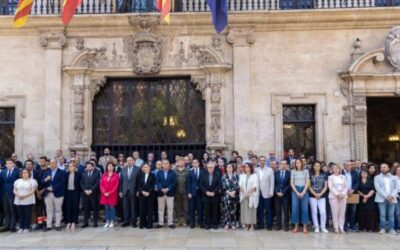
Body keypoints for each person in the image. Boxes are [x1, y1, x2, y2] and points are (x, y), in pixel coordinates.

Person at [42, 159, 66, 231]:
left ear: (57, 164)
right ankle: (48, 225)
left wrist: (53, 188)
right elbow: (41, 182)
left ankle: (57, 225)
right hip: (48, 194)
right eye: (51, 163)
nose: (52, 164)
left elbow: (62, 182)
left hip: (58, 193)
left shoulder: (62, 172)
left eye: (54, 163)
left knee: (58, 209)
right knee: (49, 210)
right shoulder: (47, 172)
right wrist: (46, 179)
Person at [374, 163, 398, 235]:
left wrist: (392, 196)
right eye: (381, 167)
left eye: (384, 167)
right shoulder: (377, 177)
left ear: (388, 168)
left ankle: (392, 229)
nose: (383, 168)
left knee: (391, 214)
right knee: (382, 214)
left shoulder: (394, 177)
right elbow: (378, 188)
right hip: (381, 199)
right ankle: (383, 228)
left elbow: (396, 188)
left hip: (392, 199)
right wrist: (387, 196)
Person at [13, 168, 37, 233]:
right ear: (21, 174)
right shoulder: (17, 181)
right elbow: (14, 190)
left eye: (26, 172)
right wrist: (18, 195)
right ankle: (21, 227)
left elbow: (33, 190)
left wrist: (25, 196)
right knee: (20, 214)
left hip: (28, 200)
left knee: (27, 214)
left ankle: (27, 227)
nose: (24, 173)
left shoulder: (32, 181)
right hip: (19, 200)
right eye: (23, 172)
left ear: (28, 173)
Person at [119, 157, 140, 227]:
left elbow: (139, 182)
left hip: (133, 191)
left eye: (130, 160)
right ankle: (126, 221)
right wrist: (120, 191)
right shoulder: (123, 169)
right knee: (125, 207)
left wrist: (138, 190)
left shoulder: (138, 169)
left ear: (134, 161)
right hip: (125, 191)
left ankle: (133, 221)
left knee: (133, 207)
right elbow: (121, 181)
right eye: (128, 160)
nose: (129, 162)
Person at [199, 162, 221, 230]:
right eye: (209, 167)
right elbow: (201, 185)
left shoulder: (217, 175)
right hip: (206, 196)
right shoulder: (203, 175)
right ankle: (207, 224)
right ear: (207, 168)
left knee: (215, 211)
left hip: (215, 196)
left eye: (211, 167)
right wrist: (206, 192)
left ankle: (214, 224)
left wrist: (214, 192)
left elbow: (219, 185)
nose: (210, 169)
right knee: (207, 211)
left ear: (214, 168)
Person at [290, 159, 310, 234]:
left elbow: (307, 182)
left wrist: (303, 191)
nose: (298, 164)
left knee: (304, 209)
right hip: (295, 190)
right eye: (296, 163)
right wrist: (297, 192)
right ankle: (296, 227)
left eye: (299, 162)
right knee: (295, 209)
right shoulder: (293, 171)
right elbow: (291, 183)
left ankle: (304, 227)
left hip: (304, 189)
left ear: (302, 163)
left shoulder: (306, 171)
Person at [156, 160, 177, 228]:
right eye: (164, 163)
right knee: (160, 209)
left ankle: (170, 223)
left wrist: (168, 188)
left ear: (169, 165)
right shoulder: (159, 172)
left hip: (170, 193)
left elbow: (174, 182)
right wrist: (161, 188)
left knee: (170, 208)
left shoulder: (173, 172)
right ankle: (160, 223)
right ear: (162, 165)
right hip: (161, 193)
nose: (165, 165)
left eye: (167, 163)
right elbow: (157, 182)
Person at [308, 161, 329, 233]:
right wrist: (314, 194)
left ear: (320, 167)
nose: (317, 167)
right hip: (312, 196)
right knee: (314, 211)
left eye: (318, 166)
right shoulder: (310, 174)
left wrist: (320, 194)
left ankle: (323, 227)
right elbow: (309, 186)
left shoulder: (324, 175)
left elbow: (326, 186)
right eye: (315, 166)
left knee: (323, 211)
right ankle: (316, 227)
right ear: (313, 167)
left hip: (322, 196)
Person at [328, 163, 348, 234]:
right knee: (335, 212)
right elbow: (330, 187)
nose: (336, 169)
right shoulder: (330, 177)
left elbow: (346, 186)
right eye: (334, 168)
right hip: (334, 196)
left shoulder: (343, 177)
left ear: (340, 169)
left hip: (343, 196)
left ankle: (341, 228)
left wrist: (343, 194)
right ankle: (336, 228)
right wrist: (337, 194)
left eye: (337, 168)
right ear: (332, 170)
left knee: (342, 213)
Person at [256, 156, 275, 230]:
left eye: (264, 160)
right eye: (261, 160)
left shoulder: (270, 170)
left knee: (268, 210)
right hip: (258, 192)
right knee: (260, 209)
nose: (262, 161)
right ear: (259, 161)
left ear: (265, 161)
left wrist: (271, 191)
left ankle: (269, 225)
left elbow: (272, 182)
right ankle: (261, 224)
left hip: (267, 193)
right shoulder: (256, 170)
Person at [1, 159, 20, 232]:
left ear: (13, 164)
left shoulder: (17, 171)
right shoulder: (3, 172)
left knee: (12, 210)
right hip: (5, 193)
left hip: (13, 193)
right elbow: (2, 182)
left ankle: (13, 225)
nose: (8, 164)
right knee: (6, 210)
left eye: (10, 163)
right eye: (7, 163)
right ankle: (7, 225)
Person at [80, 161, 101, 228]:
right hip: (85, 194)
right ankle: (85, 222)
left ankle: (95, 222)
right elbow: (81, 183)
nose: (88, 167)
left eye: (90, 166)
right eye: (87, 166)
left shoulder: (97, 173)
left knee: (95, 208)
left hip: (93, 194)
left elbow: (97, 183)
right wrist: (85, 190)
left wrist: (91, 190)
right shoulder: (83, 173)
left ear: (93, 167)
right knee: (86, 209)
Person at [239, 163, 259, 231]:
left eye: (247, 167)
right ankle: (247, 225)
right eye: (245, 167)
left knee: (251, 211)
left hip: (251, 196)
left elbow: (255, 186)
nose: (246, 168)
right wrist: (244, 193)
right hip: (244, 196)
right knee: (245, 211)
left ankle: (252, 225)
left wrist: (248, 193)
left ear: (251, 167)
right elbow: (240, 185)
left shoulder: (254, 175)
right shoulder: (242, 175)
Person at [100, 162, 119, 228]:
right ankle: (107, 221)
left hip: (112, 195)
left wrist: (109, 193)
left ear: (113, 167)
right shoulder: (104, 174)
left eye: (111, 166)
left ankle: (112, 221)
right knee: (106, 208)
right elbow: (101, 184)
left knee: (112, 208)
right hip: (104, 194)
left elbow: (116, 186)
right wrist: (104, 192)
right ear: (107, 167)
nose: (110, 167)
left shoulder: (116, 175)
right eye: (108, 166)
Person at [342, 161, 359, 232]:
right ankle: (345, 226)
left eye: (350, 165)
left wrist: (353, 189)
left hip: (353, 194)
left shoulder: (355, 172)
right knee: (344, 211)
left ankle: (352, 225)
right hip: (344, 194)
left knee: (353, 210)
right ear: (344, 166)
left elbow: (357, 182)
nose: (349, 167)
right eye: (347, 165)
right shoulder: (341, 173)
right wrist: (346, 190)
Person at [138, 163, 156, 229]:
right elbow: (139, 185)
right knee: (142, 210)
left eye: (147, 167)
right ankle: (142, 224)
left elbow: (153, 185)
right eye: (145, 167)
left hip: (150, 195)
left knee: (149, 210)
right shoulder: (140, 175)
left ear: (149, 168)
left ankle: (149, 225)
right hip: (142, 195)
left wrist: (148, 192)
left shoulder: (152, 175)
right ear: (143, 168)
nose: (146, 168)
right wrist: (142, 191)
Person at [274, 160, 291, 231]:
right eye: (281, 164)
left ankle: (286, 226)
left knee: (286, 211)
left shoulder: (289, 173)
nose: (283, 165)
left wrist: (283, 192)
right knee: (278, 211)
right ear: (279, 165)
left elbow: (289, 184)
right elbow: (274, 184)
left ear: (287, 165)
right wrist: (277, 192)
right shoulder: (276, 173)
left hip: (285, 195)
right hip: (277, 195)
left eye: (284, 164)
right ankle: (278, 225)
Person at [221, 163, 239, 230]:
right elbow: (223, 186)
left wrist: (234, 192)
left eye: (230, 167)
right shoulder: (223, 176)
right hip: (226, 196)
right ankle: (226, 224)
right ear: (226, 168)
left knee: (233, 210)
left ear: (232, 168)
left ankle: (233, 224)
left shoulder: (236, 176)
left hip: (234, 195)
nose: (229, 168)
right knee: (226, 211)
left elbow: (238, 185)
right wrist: (229, 192)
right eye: (228, 167)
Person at [64, 162, 81, 230]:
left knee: (75, 207)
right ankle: (68, 222)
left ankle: (74, 222)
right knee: (68, 207)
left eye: (71, 166)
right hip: (68, 192)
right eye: (69, 166)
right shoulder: (66, 174)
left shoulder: (78, 175)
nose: (70, 168)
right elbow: (65, 184)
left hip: (75, 192)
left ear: (74, 167)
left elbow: (80, 184)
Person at [187, 159, 204, 228]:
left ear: (198, 163)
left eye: (196, 162)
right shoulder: (190, 172)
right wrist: (189, 192)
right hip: (192, 193)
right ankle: (192, 223)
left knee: (200, 208)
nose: (195, 164)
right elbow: (188, 183)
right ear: (192, 164)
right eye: (193, 163)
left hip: (200, 192)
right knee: (192, 208)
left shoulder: (202, 171)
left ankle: (200, 222)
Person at [174, 157, 188, 227]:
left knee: (185, 207)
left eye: (182, 161)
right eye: (179, 161)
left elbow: (189, 181)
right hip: (177, 192)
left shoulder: (187, 170)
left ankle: (185, 220)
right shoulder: (174, 170)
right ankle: (179, 220)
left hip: (185, 192)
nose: (181, 162)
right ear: (177, 162)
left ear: (184, 162)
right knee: (177, 207)